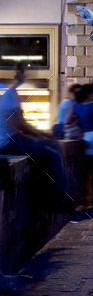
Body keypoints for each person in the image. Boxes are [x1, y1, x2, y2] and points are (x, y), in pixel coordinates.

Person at [0, 65, 69, 209]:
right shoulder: (10, 95)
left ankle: (55, 188)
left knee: (53, 146)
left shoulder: (10, 94)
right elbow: (20, 125)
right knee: (54, 154)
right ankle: (59, 195)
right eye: (21, 73)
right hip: (10, 140)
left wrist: (42, 135)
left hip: (12, 138)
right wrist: (42, 134)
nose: (24, 76)